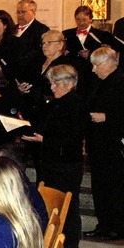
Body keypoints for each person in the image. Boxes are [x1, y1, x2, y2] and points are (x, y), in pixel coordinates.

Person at [22, 65, 90, 247]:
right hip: (50, 162)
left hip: (67, 164)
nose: (52, 87)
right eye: (51, 83)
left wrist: (45, 139)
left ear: (70, 83)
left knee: (68, 208)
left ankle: (68, 243)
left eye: (56, 83)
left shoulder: (78, 104)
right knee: (48, 204)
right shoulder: (54, 103)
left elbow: (74, 137)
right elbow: (38, 119)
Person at [84, 47, 124, 241]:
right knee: (100, 187)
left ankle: (116, 227)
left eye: (96, 65)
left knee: (113, 187)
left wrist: (107, 117)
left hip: (113, 145)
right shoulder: (99, 82)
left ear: (109, 62)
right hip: (97, 144)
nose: (93, 69)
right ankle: (104, 224)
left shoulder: (120, 82)